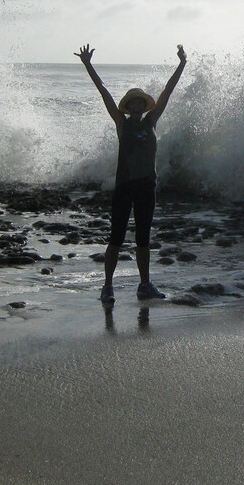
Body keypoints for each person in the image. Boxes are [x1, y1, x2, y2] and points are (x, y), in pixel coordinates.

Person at [75, 42, 187, 303]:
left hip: (147, 186)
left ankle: (145, 285)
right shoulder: (121, 124)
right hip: (125, 187)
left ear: (144, 106)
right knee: (116, 236)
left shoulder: (151, 121)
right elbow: (103, 92)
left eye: (140, 102)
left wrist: (181, 64)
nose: (137, 105)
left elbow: (167, 93)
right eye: (133, 103)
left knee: (143, 239)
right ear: (128, 106)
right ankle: (107, 286)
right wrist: (88, 65)